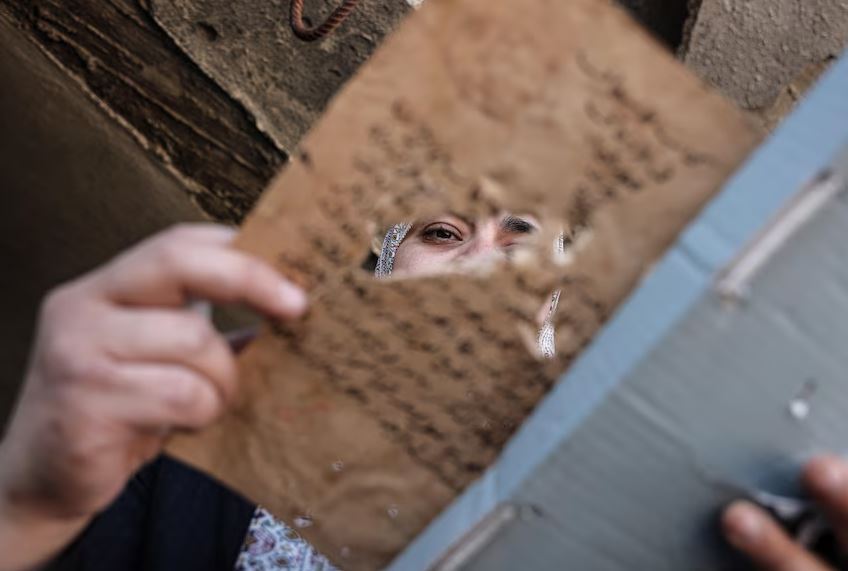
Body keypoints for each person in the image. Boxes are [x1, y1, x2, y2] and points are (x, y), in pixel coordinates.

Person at [0, 221, 846, 571]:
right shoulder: (184, 441)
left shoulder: (631, 522)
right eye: (443, 233)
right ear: (378, 276)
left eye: (525, 244)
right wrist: (25, 502)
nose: (483, 262)